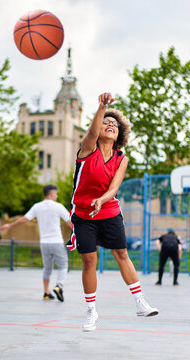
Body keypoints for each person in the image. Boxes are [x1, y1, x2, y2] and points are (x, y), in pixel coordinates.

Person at [67, 92, 158, 332]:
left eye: (114, 125)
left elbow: (114, 188)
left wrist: (102, 199)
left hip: (108, 209)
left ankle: (140, 302)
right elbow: (90, 133)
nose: (110, 125)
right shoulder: (87, 150)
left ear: (120, 134)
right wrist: (102, 106)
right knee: (89, 260)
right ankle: (91, 311)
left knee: (121, 253)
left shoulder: (121, 158)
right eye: (106, 122)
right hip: (84, 214)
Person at [1, 185, 72, 302]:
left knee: (47, 268)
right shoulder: (58, 207)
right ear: (51, 194)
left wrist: (9, 225)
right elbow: (70, 222)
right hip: (56, 242)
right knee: (63, 265)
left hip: (44, 243)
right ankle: (59, 286)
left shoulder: (37, 207)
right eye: (56, 194)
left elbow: (24, 219)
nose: (57, 196)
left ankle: (46, 292)